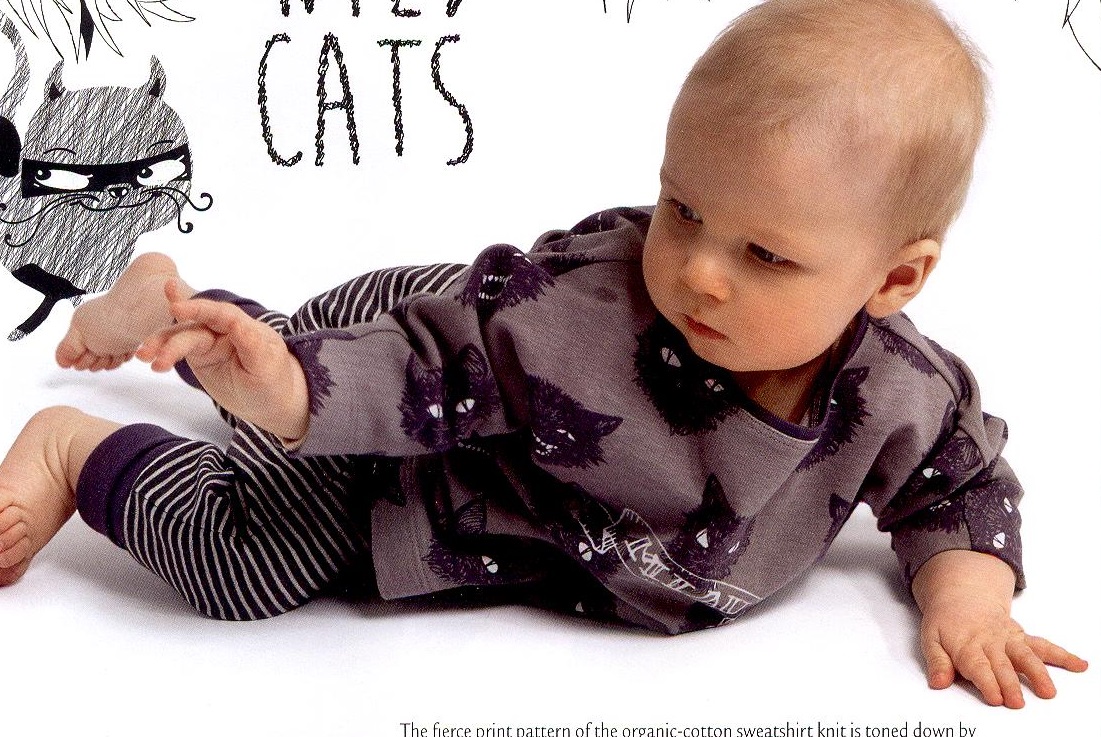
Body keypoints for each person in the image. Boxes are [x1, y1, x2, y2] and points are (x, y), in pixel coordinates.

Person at [0, 0, 1087, 709]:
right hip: (427, 401)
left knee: (269, 365)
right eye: (682, 208)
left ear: (894, 278)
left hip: (437, 373)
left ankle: (192, 314)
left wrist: (969, 600)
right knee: (242, 559)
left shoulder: (900, 391)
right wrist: (291, 388)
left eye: (764, 254)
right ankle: (73, 445)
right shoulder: (580, 314)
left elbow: (961, 484)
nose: (699, 272)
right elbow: (416, 378)